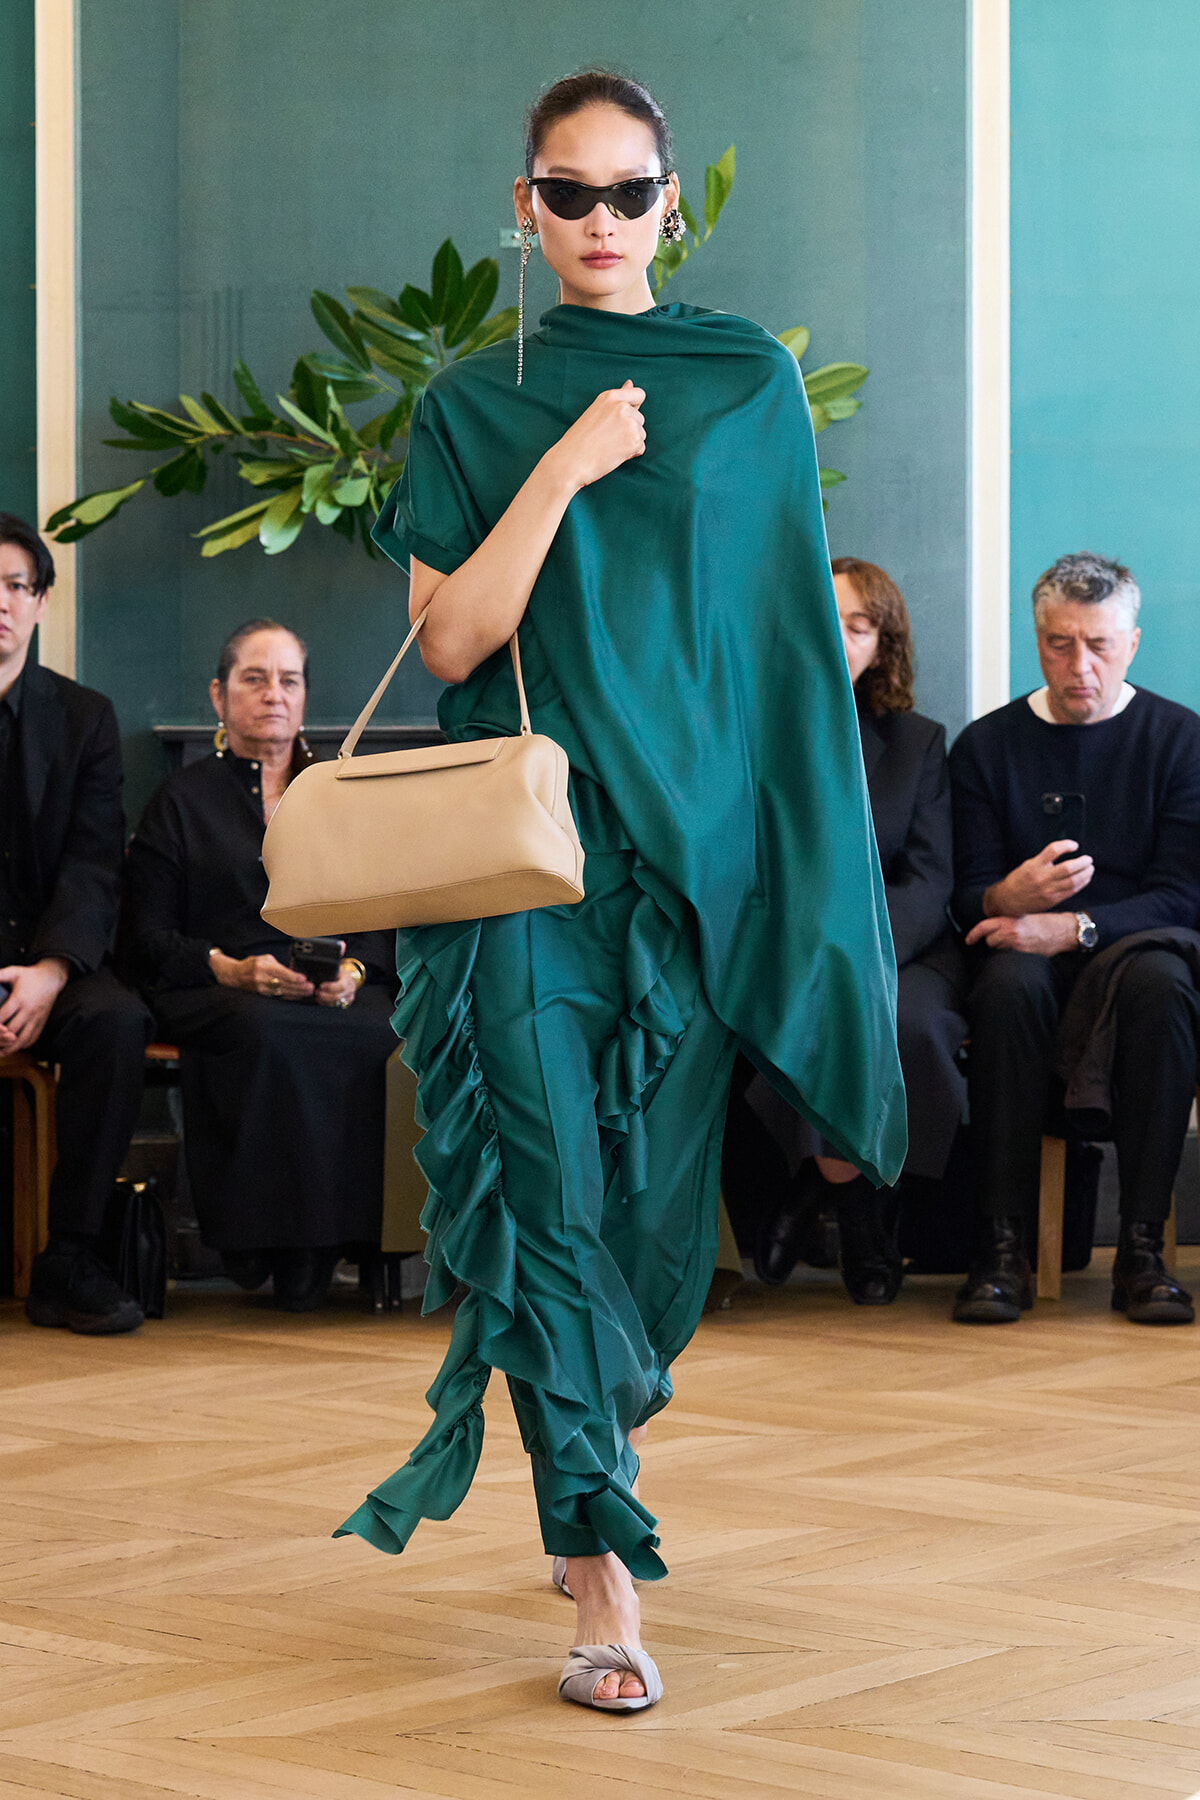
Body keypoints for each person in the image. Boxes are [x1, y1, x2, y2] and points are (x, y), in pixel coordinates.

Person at [333, 73, 906, 1713]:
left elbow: (779, 656)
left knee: (652, 1227)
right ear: (524, 209)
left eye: (629, 191)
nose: (600, 220)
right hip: (527, 858)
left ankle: (594, 1429)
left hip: (689, 868)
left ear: (670, 205)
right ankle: (601, 1579)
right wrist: (567, 468)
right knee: (548, 1202)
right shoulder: (474, 402)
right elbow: (453, 639)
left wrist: (795, 869)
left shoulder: (746, 384)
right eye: (567, 193)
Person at [950, 552, 1200, 1326]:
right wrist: (1004, 896)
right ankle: (1000, 1249)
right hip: (1022, 954)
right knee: (1007, 985)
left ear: (1132, 644)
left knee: (1163, 985)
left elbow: (1185, 895)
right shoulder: (987, 746)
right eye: (1060, 644)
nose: (1079, 666)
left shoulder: (1179, 739)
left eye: (1098, 645)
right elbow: (966, 896)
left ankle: (1142, 1251)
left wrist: (1075, 927)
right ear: (1038, 641)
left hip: (1138, 951)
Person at [124, 620, 399, 1312]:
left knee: (381, 1031)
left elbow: (379, 916)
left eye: (288, 680)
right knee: (267, 1031)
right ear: (219, 696)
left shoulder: (340, 793)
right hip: (217, 984)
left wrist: (354, 975)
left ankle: (364, 1245)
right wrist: (230, 969)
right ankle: (277, 1249)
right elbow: (145, 936)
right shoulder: (180, 802)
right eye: (255, 678)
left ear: (304, 697)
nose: (274, 694)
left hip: (331, 984)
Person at [753, 558, 967, 1302]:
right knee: (807, 1004)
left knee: (909, 1024)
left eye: (859, 626)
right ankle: (860, 1210)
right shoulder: (756, 731)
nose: (839, 637)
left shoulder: (918, 741)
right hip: (792, 941)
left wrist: (865, 952)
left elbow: (930, 878)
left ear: (883, 644)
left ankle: (826, 1187)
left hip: (904, 946)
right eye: (826, 618)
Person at [0, 513, 154, 1335]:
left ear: (41, 602)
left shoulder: (84, 716)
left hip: (48, 959)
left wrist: (50, 971)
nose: (0, 602)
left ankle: (70, 1257)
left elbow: (96, 863)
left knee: (116, 1021)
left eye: (14, 585)